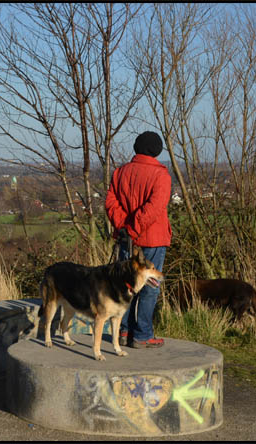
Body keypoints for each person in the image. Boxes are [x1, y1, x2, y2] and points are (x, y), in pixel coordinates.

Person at [104, 131, 172, 348]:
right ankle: (142, 335)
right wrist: (134, 227)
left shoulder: (120, 172)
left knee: (124, 284)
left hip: (126, 238)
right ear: (157, 150)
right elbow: (155, 208)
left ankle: (123, 332)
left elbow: (110, 202)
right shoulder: (161, 175)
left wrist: (124, 226)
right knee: (150, 286)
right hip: (152, 238)